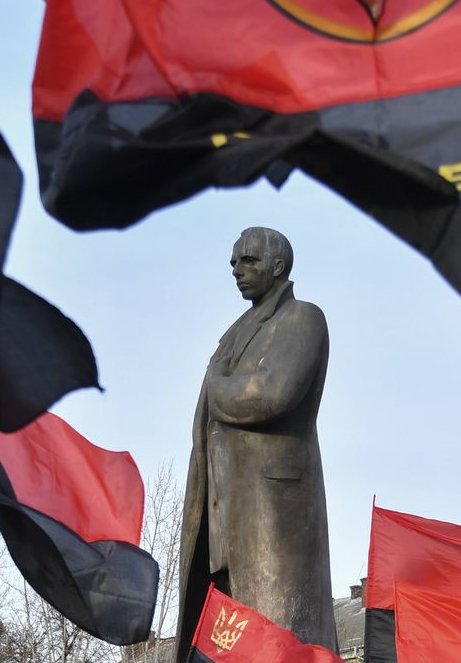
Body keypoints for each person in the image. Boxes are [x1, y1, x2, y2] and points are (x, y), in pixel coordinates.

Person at [176, 227, 337, 661]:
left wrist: (216, 384)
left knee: (280, 639)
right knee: (227, 642)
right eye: (233, 262)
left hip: (273, 516)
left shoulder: (302, 317)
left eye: (247, 260)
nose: (236, 269)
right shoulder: (236, 331)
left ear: (278, 266)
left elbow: (273, 392)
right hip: (225, 524)